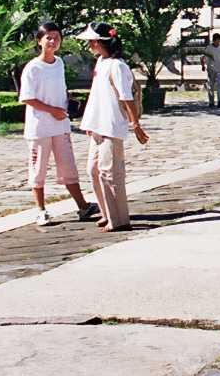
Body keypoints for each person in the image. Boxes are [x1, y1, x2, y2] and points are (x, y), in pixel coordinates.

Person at [19, 22, 98, 227]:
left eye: (56, 37)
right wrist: (51, 110)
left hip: (60, 126)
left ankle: (82, 206)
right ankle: (41, 210)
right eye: (48, 38)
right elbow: (27, 98)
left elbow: (60, 89)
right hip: (39, 127)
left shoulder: (60, 63)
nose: (53, 42)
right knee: (38, 170)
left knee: (68, 167)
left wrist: (67, 104)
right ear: (39, 41)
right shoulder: (32, 68)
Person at [76, 22, 147, 232]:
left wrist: (135, 124)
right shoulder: (101, 62)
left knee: (110, 173)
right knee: (94, 170)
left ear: (99, 42)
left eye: (92, 41)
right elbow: (97, 96)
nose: (90, 45)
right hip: (98, 125)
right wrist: (89, 121)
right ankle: (107, 213)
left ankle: (119, 219)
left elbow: (126, 97)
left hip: (111, 125)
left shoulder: (118, 66)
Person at [201, 32, 220, 107]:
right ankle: (211, 102)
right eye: (217, 41)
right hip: (211, 70)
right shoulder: (209, 48)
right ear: (213, 40)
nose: (218, 42)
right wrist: (203, 66)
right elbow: (202, 57)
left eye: (219, 41)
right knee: (211, 86)